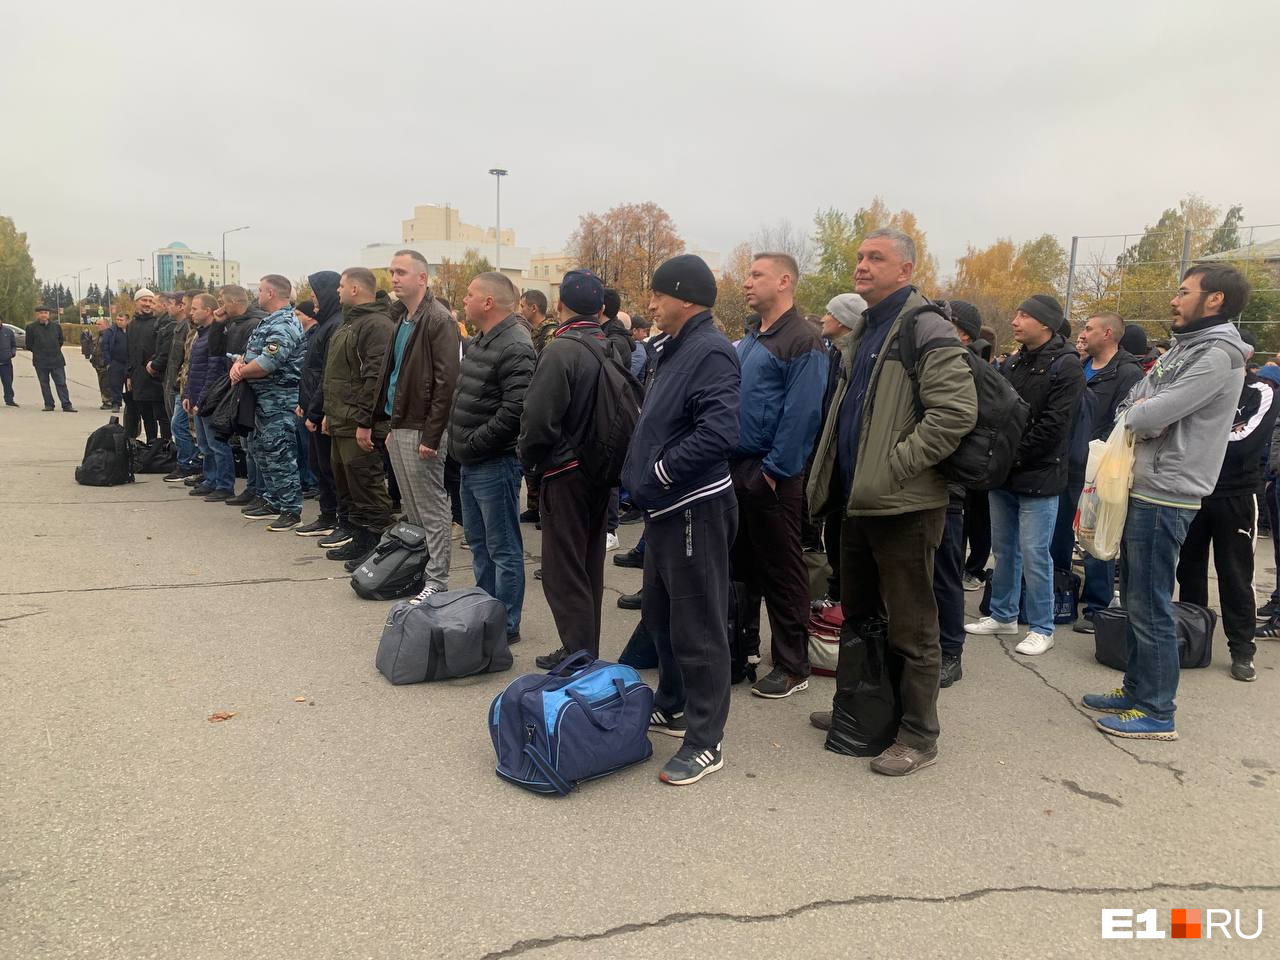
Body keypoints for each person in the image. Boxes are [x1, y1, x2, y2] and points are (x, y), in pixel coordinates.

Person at [806, 228, 977, 776]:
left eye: (875, 258)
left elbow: (954, 413)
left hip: (905, 505)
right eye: (859, 256)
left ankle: (919, 734)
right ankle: (863, 708)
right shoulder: (865, 328)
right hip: (859, 501)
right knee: (861, 615)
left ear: (905, 270)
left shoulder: (926, 326)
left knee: (912, 626)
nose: (861, 265)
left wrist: (895, 465)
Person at [1083, 264, 1251, 740]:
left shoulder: (1219, 354)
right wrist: (1142, 412)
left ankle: (1157, 711)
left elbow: (1152, 412)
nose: (1174, 300)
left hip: (1168, 493)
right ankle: (1136, 689)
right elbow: (1133, 402)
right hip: (1145, 485)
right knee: (1136, 598)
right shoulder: (1184, 349)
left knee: (1150, 602)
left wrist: (1143, 412)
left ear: (1214, 299)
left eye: (1183, 292)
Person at [621, 253, 741, 785]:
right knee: (662, 618)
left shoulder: (710, 350)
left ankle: (705, 739)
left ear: (685, 298)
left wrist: (663, 472)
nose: (650, 303)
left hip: (694, 507)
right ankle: (671, 703)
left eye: (658, 294)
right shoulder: (674, 348)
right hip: (665, 511)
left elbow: (718, 433)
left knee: (700, 628)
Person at [731, 252, 827, 699]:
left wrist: (775, 470)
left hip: (770, 474)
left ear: (784, 281)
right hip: (739, 466)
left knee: (783, 570)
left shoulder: (804, 339)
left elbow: (803, 413)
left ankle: (793, 665)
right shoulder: (753, 336)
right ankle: (741, 650)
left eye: (756, 275)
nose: (747, 283)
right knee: (742, 567)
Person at [965, 294, 1084, 657]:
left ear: (1046, 324)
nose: (1015, 321)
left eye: (1024, 316)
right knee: (1004, 549)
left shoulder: (1066, 366)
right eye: (1015, 313)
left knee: (1035, 553)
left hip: (1040, 475)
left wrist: (1011, 455)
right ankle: (1003, 613)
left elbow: (1054, 426)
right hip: (1006, 474)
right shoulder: (1015, 361)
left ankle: (1043, 626)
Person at [520, 269, 615, 668]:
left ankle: (577, 655)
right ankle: (583, 648)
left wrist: (531, 463)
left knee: (562, 570)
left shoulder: (560, 349)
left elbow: (539, 419)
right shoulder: (609, 344)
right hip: (602, 468)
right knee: (589, 563)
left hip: (566, 471)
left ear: (560, 305)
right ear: (601, 308)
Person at [443, 272, 535, 643]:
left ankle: (505, 624)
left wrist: (476, 442)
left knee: (503, 549)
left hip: (493, 462)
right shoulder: (483, 339)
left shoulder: (515, 343)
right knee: (480, 545)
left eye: (469, 295)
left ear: (488, 302)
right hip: (470, 460)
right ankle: (485, 610)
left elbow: (516, 410)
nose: (464, 301)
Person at [1176, 367, 1277, 683]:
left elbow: (1246, 443)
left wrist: (1198, 439)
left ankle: (1242, 648)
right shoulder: (1200, 384)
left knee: (1235, 573)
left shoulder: (1261, 390)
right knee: (1189, 570)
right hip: (1193, 490)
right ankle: (1194, 638)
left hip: (1235, 495)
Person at [376, 249, 461, 599]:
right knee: (411, 509)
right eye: (392, 271)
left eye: (401, 272)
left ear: (422, 278)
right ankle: (415, 571)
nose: (394, 278)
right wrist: (391, 426)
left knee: (432, 508)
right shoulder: (402, 317)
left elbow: (446, 383)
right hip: (401, 424)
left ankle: (436, 581)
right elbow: (394, 374)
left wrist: (432, 433)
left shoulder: (438, 319)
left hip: (424, 428)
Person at [1071, 312, 1145, 634]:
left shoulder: (1127, 372)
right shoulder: (1080, 365)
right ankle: (1065, 592)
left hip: (1102, 464)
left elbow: (1122, 422)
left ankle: (1098, 606)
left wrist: (1099, 454)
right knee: (1069, 530)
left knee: (1095, 533)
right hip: (1071, 460)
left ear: (1109, 333)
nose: (1083, 334)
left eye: (1089, 329)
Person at [321, 268, 396, 562]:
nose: (337, 291)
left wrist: (365, 421)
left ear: (355, 289)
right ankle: (359, 538)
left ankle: (378, 548)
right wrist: (329, 413)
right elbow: (337, 376)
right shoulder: (349, 323)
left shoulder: (376, 324)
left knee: (367, 485)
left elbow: (374, 379)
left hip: (358, 422)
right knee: (347, 484)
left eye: (341, 286)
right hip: (340, 419)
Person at [230, 275, 305, 532]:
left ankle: (291, 509)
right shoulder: (269, 321)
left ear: (271, 293)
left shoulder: (284, 324)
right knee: (263, 452)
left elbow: (267, 363)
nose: (258, 295)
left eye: (261, 290)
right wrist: (239, 362)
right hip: (262, 401)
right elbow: (253, 353)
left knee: (280, 453)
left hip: (279, 401)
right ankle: (274, 500)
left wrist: (241, 371)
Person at [296, 271, 345, 539]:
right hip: (313, 407)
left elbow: (328, 373)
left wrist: (316, 409)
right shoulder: (325, 324)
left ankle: (339, 518)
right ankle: (327, 515)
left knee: (329, 467)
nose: (312, 301)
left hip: (325, 411)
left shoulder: (335, 325)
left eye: (315, 295)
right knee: (318, 465)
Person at [949, 302, 992, 591]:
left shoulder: (967, 365)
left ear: (964, 334)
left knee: (973, 520)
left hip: (962, 464)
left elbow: (961, 417)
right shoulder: (953, 358)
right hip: (955, 465)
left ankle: (973, 568)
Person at [215, 286, 268, 507]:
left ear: (235, 301)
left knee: (257, 445)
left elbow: (254, 358)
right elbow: (215, 351)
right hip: (238, 387)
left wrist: (240, 367)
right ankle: (253, 488)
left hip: (252, 389)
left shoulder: (255, 323)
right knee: (247, 444)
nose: (220, 307)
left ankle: (261, 492)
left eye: (222, 301)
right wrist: (218, 326)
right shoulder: (233, 323)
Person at [184, 294, 235, 501]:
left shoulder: (215, 335)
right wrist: (189, 394)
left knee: (217, 445)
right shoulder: (200, 335)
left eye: (195, 308)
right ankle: (210, 479)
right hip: (197, 397)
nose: (191, 312)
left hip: (209, 400)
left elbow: (213, 371)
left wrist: (203, 399)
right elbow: (193, 368)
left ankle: (224, 485)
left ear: (207, 310)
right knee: (204, 444)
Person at [163, 293, 202, 482]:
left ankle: (190, 463)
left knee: (181, 425)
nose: (187, 308)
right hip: (183, 385)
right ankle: (188, 462)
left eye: (190, 305)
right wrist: (179, 381)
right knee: (180, 425)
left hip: (195, 388)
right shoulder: (191, 329)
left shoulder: (197, 330)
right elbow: (185, 360)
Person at [124, 290, 168, 438]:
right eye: (144, 300)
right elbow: (130, 352)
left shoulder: (158, 323)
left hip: (155, 377)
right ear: (136, 302)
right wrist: (129, 375)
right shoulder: (131, 325)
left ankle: (164, 449)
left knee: (161, 417)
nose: (148, 304)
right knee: (146, 417)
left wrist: (155, 368)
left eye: (150, 301)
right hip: (138, 378)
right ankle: (151, 446)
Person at [291, 301, 319, 499]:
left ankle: (314, 482)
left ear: (310, 316)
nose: (296, 318)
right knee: (301, 444)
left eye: (299, 314)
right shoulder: (302, 337)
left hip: (310, 397)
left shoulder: (315, 336)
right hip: (301, 396)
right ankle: (305, 480)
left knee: (310, 445)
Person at [26, 306, 76, 412]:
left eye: (45, 313)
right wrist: (39, 352)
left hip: (56, 360)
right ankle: (49, 404)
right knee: (44, 384)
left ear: (48, 314)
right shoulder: (31, 328)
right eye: (41, 313)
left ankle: (66, 404)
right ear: (37, 315)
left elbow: (60, 341)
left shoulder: (56, 327)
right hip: (40, 361)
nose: (43, 315)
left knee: (61, 383)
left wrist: (53, 350)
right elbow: (29, 345)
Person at [101, 314, 129, 411]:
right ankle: (116, 403)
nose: (119, 321)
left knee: (130, 385)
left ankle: (130, 405)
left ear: (127, 321)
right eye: (117, 319)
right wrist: (109, 362)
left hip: (129, 363)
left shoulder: (132, 331)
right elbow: (104, 346)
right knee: (115, 384)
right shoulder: (111, 331)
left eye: (121, 319)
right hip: (116, 362)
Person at [90, 317, 112, 408]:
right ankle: (106, 400)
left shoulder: (109, 335)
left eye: (99, 324)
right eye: (97, 324)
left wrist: (108, 362)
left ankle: (108, 401)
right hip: (98, 363)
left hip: (105, 364)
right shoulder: (99, 335)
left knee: (106, 384)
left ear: (106, 325)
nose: (97, 326)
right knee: (102, 383)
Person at [0, 318, 18, 406]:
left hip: (6, 362)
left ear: (1, 321)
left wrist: (12, 353)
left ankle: (9, 400)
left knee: (8, 382)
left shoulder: (8, 332)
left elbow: (13, 345)